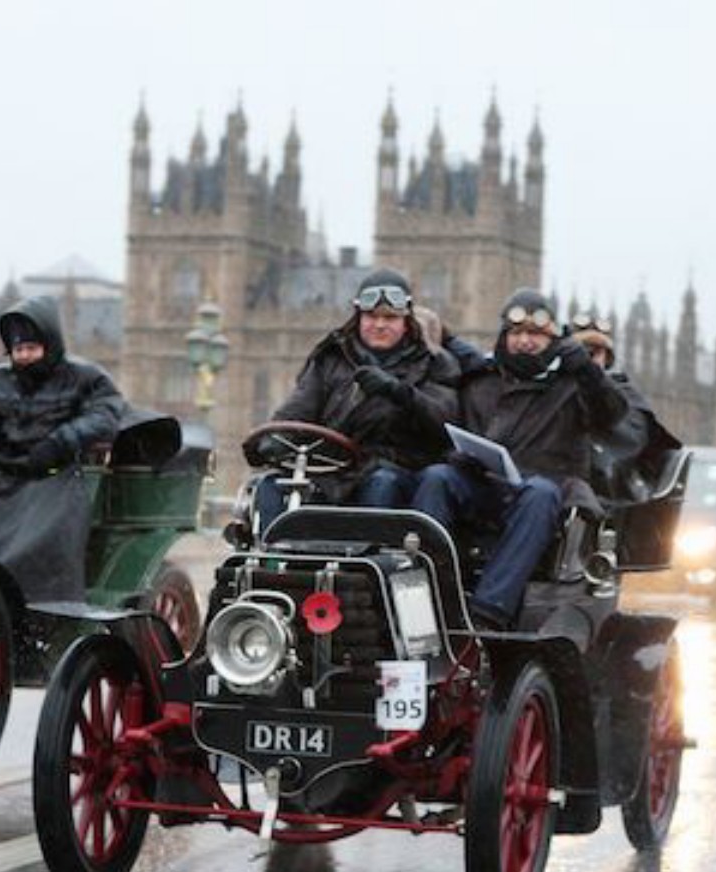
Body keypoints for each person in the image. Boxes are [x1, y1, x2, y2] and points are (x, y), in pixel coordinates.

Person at [411, 288, 628, 630]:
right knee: (436, 478)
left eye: (536, 334)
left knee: (540, 494)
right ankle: (426, 593)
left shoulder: (572, 386)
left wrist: (587, 371)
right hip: (482, 484)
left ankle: (487, 611)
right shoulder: (482, 381)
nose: (525, 341)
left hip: (540, 494)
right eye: (516, 333)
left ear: (554, 339)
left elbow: (611, 414)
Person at [253, 268, 460, 530]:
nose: (380, 325)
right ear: (358, 316)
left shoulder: (435, 363)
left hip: (397, 469)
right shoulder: (331, 359)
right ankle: (275, 559)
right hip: (332, 471)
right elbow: (299, 407)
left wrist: (401, 393)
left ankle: (365, 563)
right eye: (372, 316)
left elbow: (447, 420)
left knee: (382, 483)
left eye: (390, 317)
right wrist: (274, 439)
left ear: (406, 320)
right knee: (270, 486)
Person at [0, 296, 126, 600]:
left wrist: (57, 443)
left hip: (57, 476)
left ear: (50, 346)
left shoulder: (87, 378)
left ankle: (43, 608)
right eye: (18, 350)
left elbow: (104, 417)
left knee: (43, 541)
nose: (24, 357)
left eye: (31, 349)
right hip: (4, 478)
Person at [568, 310, 681, 503]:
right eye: (582, 351)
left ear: (607, 357)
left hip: (602, 494)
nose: (587, 359)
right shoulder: (550, 390)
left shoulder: (624, 396)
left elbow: (629, 441)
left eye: (594, 353)